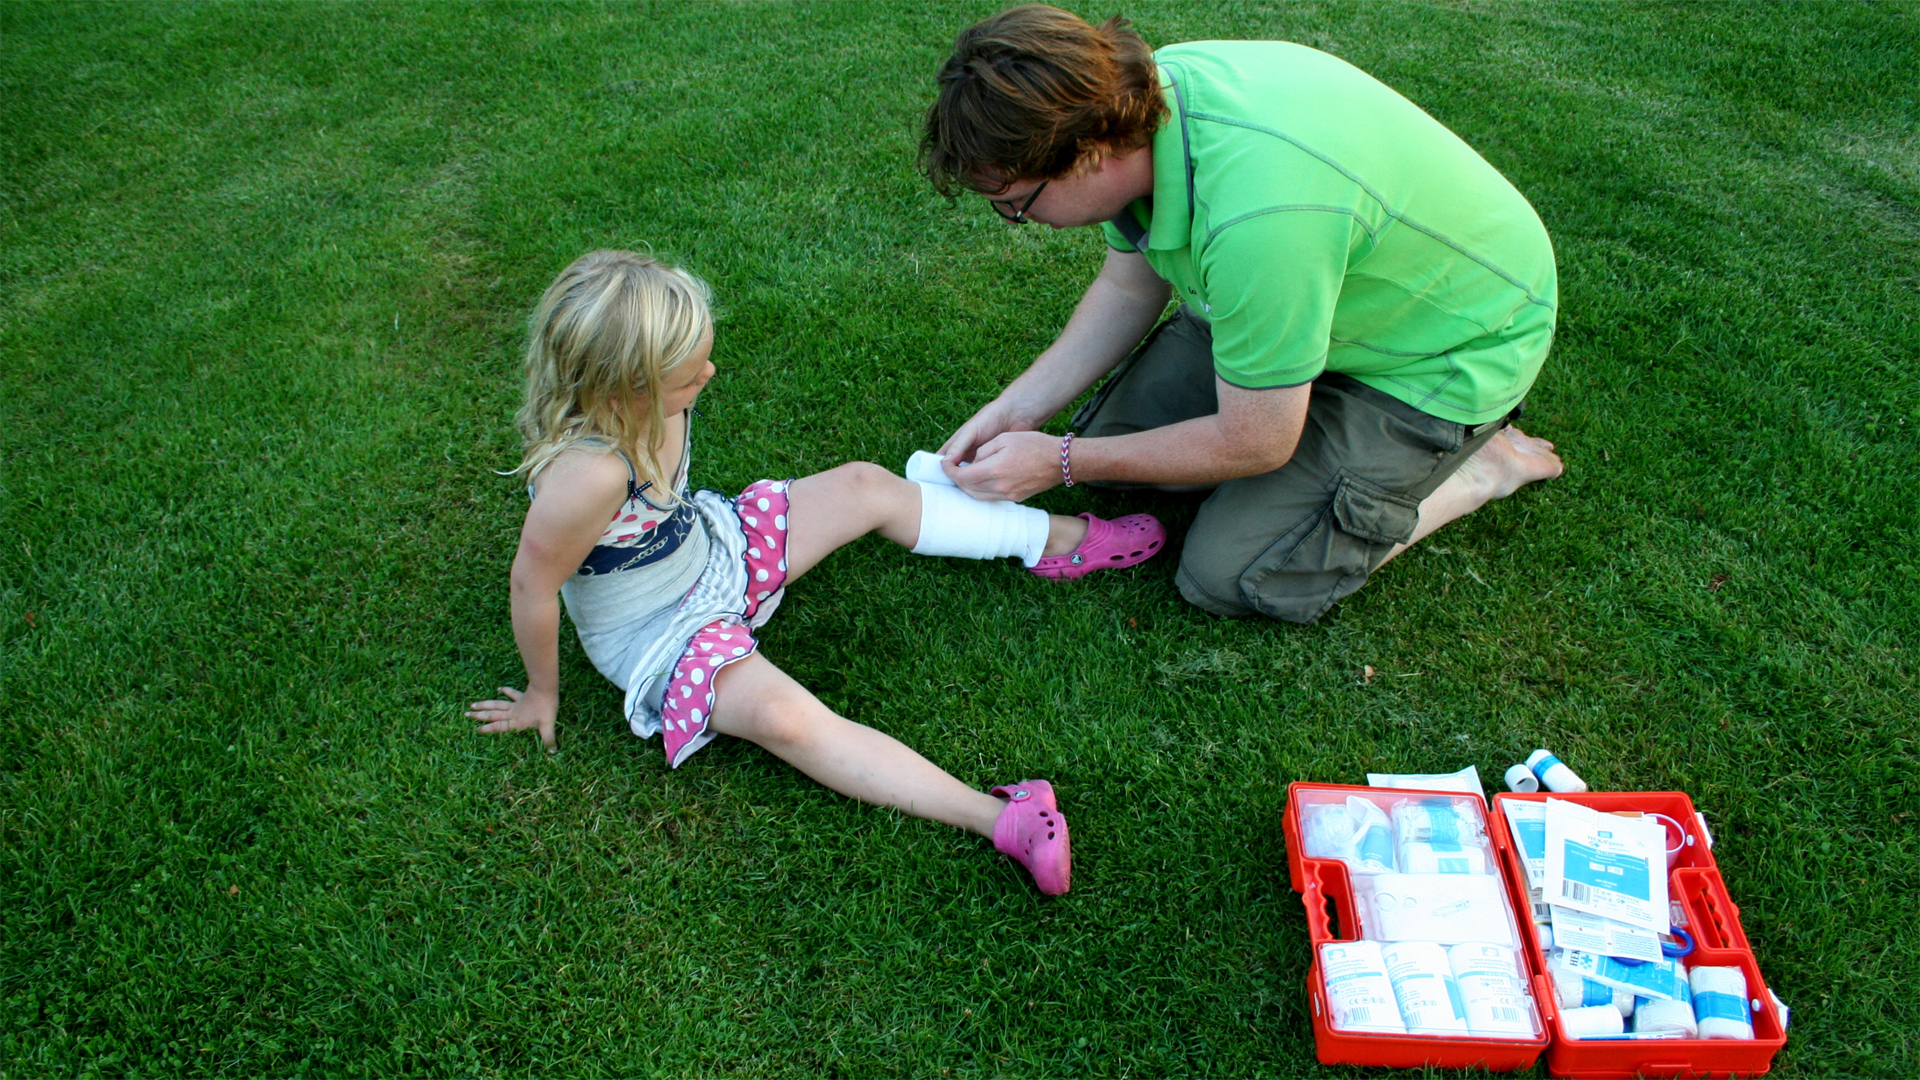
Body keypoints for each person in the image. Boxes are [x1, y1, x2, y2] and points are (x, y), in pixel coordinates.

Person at [466, 250, 1167, 894]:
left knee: (864, 485)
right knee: (784, 718)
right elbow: (533, 584)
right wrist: (541, 692)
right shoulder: (583, 481)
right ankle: (1000, 819)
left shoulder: (649, 400)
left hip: (713, 551)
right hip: (657, 633)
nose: (708, 377)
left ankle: (1056, 538)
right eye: (688, 376)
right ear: (625, 391)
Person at [920, 6, 1566, 624]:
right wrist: (1016, 411)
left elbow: (1256, 441)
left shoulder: (1261, 221)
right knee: (1123, 445)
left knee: (1232, 573)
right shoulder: (1137, 106)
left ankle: (1482, 468)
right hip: (1318, 293)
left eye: (1015, 201)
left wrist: (1062, 461)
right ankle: (1296, 389)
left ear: (1090, 154)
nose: (1018, 219)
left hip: (1446, 345)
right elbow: (1126, 290)